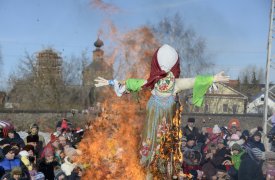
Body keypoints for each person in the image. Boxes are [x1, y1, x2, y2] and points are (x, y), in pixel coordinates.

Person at [94, 44, 230, 177]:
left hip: (166, 132)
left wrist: (212, 78)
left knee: (162, 155)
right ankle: (149, 170)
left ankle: (156, 170)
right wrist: (110, 82)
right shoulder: (156, 83)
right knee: (150, 153)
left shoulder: (165, 84)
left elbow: (193, 81)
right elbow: (131, 84)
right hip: (153, 131)